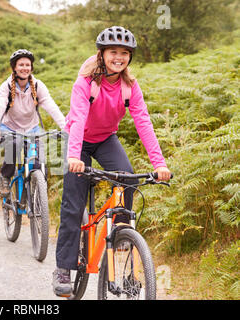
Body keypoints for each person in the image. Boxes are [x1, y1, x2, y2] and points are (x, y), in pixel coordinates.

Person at [52, 26, 172, 297]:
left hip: (106, 138)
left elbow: (143, 123)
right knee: (73, 203)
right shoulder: (85, 82)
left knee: (127, 179)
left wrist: (159, 164)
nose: (119, 57)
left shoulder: (130, 86)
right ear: (102, 54)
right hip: (78, 139)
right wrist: (73, 156)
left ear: (130, 57)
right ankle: (63, 268)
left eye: (124, 53)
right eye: (113, 52)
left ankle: (120, 254)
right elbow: (79, 118)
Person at [0, 49, 66, 197]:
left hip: (32, 128)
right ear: (14, 68)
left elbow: (51, 106)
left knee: (39, 165)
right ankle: (5, 177)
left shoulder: (38, 85)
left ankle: (37, 199)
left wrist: (65, 126)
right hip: (9, 127)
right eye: (21, 64)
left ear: (32, 67)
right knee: (14, 144)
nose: (25, 68)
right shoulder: (7, 86)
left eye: (27, 65)